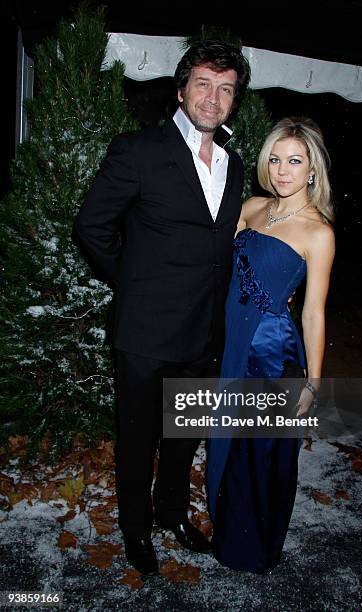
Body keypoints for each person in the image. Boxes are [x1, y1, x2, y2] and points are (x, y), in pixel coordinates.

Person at [73, 40, 251, 575]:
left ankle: (172, 513)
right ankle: (135, 530)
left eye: (225, 89)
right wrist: (133, 284)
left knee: (182, 436)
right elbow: (92, 226)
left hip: (204, 332)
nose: (213, 98)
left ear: (233, 101)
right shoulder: (139, 150)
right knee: (138, 437)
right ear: (181, 90)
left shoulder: (234, 164)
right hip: (146, 332)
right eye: (203, 84)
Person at [207, 116, 335, 573]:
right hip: (232, 341)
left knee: (259, 453)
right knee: (225, 441)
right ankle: (225, 531)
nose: (283, 170)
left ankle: (253, 547)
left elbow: (313, 312)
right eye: (276, 159)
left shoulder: (319, 233)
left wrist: (314, 382)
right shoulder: (253, 207)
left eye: (295, 161)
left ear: (312, 170)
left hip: (271, 352)